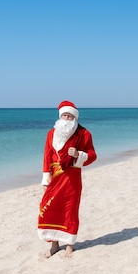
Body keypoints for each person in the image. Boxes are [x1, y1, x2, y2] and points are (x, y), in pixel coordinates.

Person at [38, 100, 97, 258]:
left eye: (70, 116)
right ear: (60, 117)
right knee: (50, 209)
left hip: (72, 178)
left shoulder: (83, 134)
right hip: (54, 177)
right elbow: (46, 156)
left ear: (75, 118)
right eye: (64, 115)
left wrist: (78, 155)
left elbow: (92, 155)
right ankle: (55, 245)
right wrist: (46, 177)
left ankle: (70, 244)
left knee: (69, 210)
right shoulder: (51, 133)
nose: (67, 118)